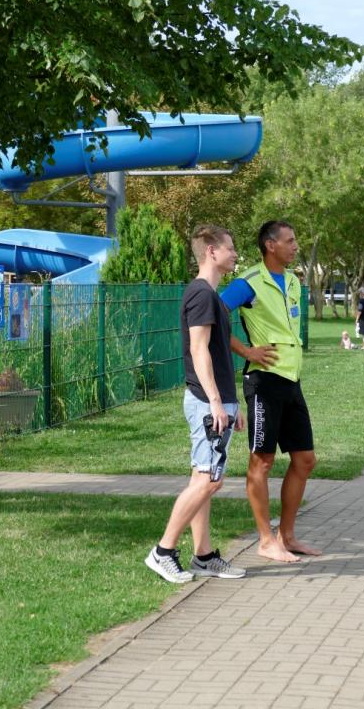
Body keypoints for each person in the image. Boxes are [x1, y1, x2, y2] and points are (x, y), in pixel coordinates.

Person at [145, 224, 246, 583]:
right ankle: (163, 552)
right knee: (208, 480)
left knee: (204, 479)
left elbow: (218, 353)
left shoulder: (211, 296)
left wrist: (233, 404)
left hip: (217, 402)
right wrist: (216, 402)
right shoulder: (201, 294)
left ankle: (203, 556)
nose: (235, 254)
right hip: (207, 402)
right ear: (211, 251)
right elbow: (199, 350)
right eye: (230, 248)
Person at [221, 220, 320, 563]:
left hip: (291, 380)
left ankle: (286, 536)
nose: (295, 246)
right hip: (263, 382)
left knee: (305, 460)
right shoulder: (248, 282)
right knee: (262, 462)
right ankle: (265, 540)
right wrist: (246, 351)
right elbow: (213, 315)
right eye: (289, 241)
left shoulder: (292, 281)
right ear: (270, 245)